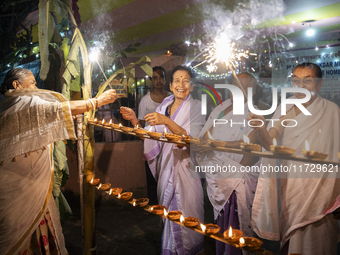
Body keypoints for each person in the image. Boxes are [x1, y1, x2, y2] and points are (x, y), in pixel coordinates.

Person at [0, 68, 118, 255]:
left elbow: (48, 118)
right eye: (32, 83)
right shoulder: (23, 103)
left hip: (29, 190)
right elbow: (57, 110)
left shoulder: (9, 107)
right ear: (16, 85)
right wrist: (97, 101)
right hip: (21, 191)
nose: (36, 87)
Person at [248, 63, 340, 255]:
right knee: (295, 234)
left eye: (307, 81)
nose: (300, 86)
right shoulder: (286, 107)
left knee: (321, 240)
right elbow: (269, 143)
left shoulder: (332, 111)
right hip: (293, 187)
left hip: (325, 189)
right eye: (296, 81)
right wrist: (261, 129)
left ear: (319, 84)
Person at [121, 65, 205, 255]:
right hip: (167, 169)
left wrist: (166, 121)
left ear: (191, 85)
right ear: (171, 84)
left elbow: (189, 139)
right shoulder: (164, 106)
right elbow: (150, 136)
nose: (181, 84)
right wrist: (134, 120)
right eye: (177, 80)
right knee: (169, 219)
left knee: (187, 218)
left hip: (186, 170)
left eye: (186, 81)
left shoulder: (197, 107)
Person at [196, 72, 260, 255]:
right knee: (221, 223)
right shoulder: (221, 108)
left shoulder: (254, 112)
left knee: (235, 224)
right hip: (216, 172)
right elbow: (207, 134)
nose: (237, 89)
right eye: (234, 84)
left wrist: (214, 145)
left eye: (243, 86)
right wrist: (203, 145)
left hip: (236, 176)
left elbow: (250, 145)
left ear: (252, 90)